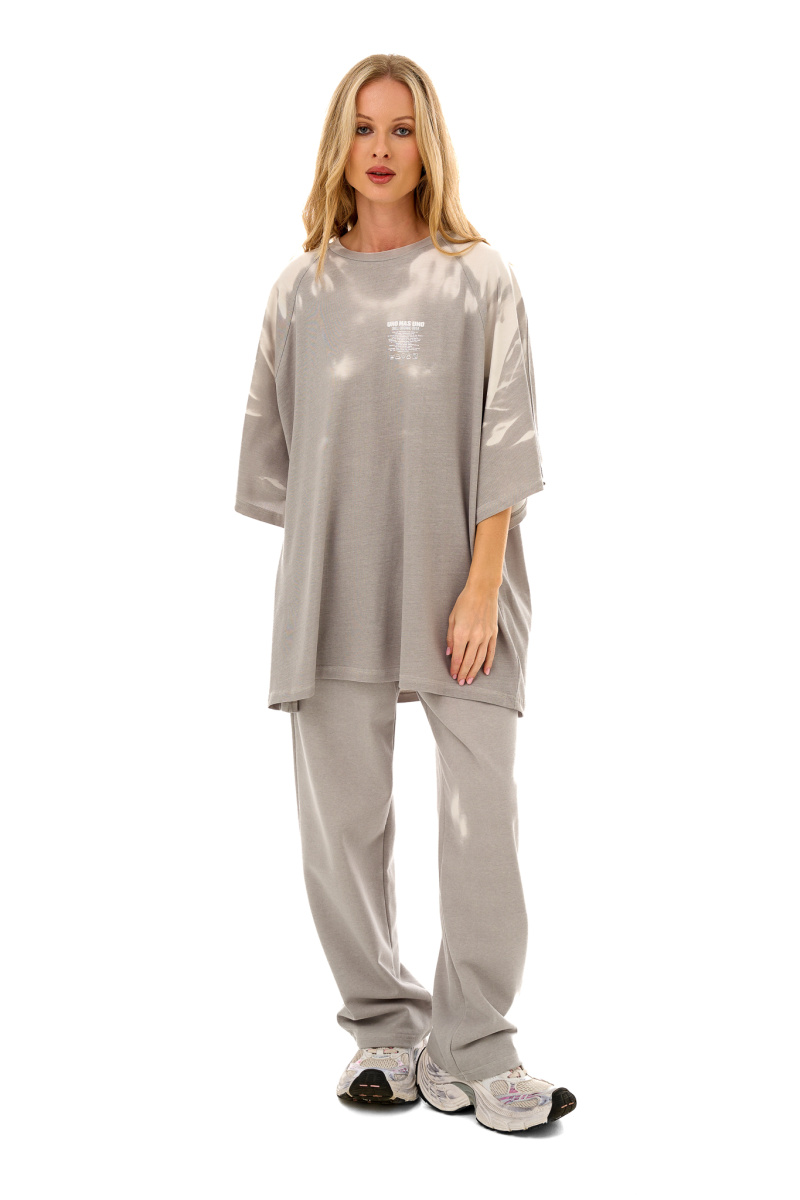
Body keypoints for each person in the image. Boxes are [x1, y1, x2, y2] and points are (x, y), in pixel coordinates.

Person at [234, 53, 577, 1135]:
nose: (381, 149)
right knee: (342, 821)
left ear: (429, 145)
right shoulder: (300, 290)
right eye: (363, 127)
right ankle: (384, 1028)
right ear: (338, 144)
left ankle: (477, 1044)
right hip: (334, 585)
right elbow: (278, 461)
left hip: (463, 585)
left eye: (402, 128)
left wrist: (480, 583)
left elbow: (507, 435)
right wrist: (338, 558)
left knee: (481, 817)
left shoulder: (480, 278)